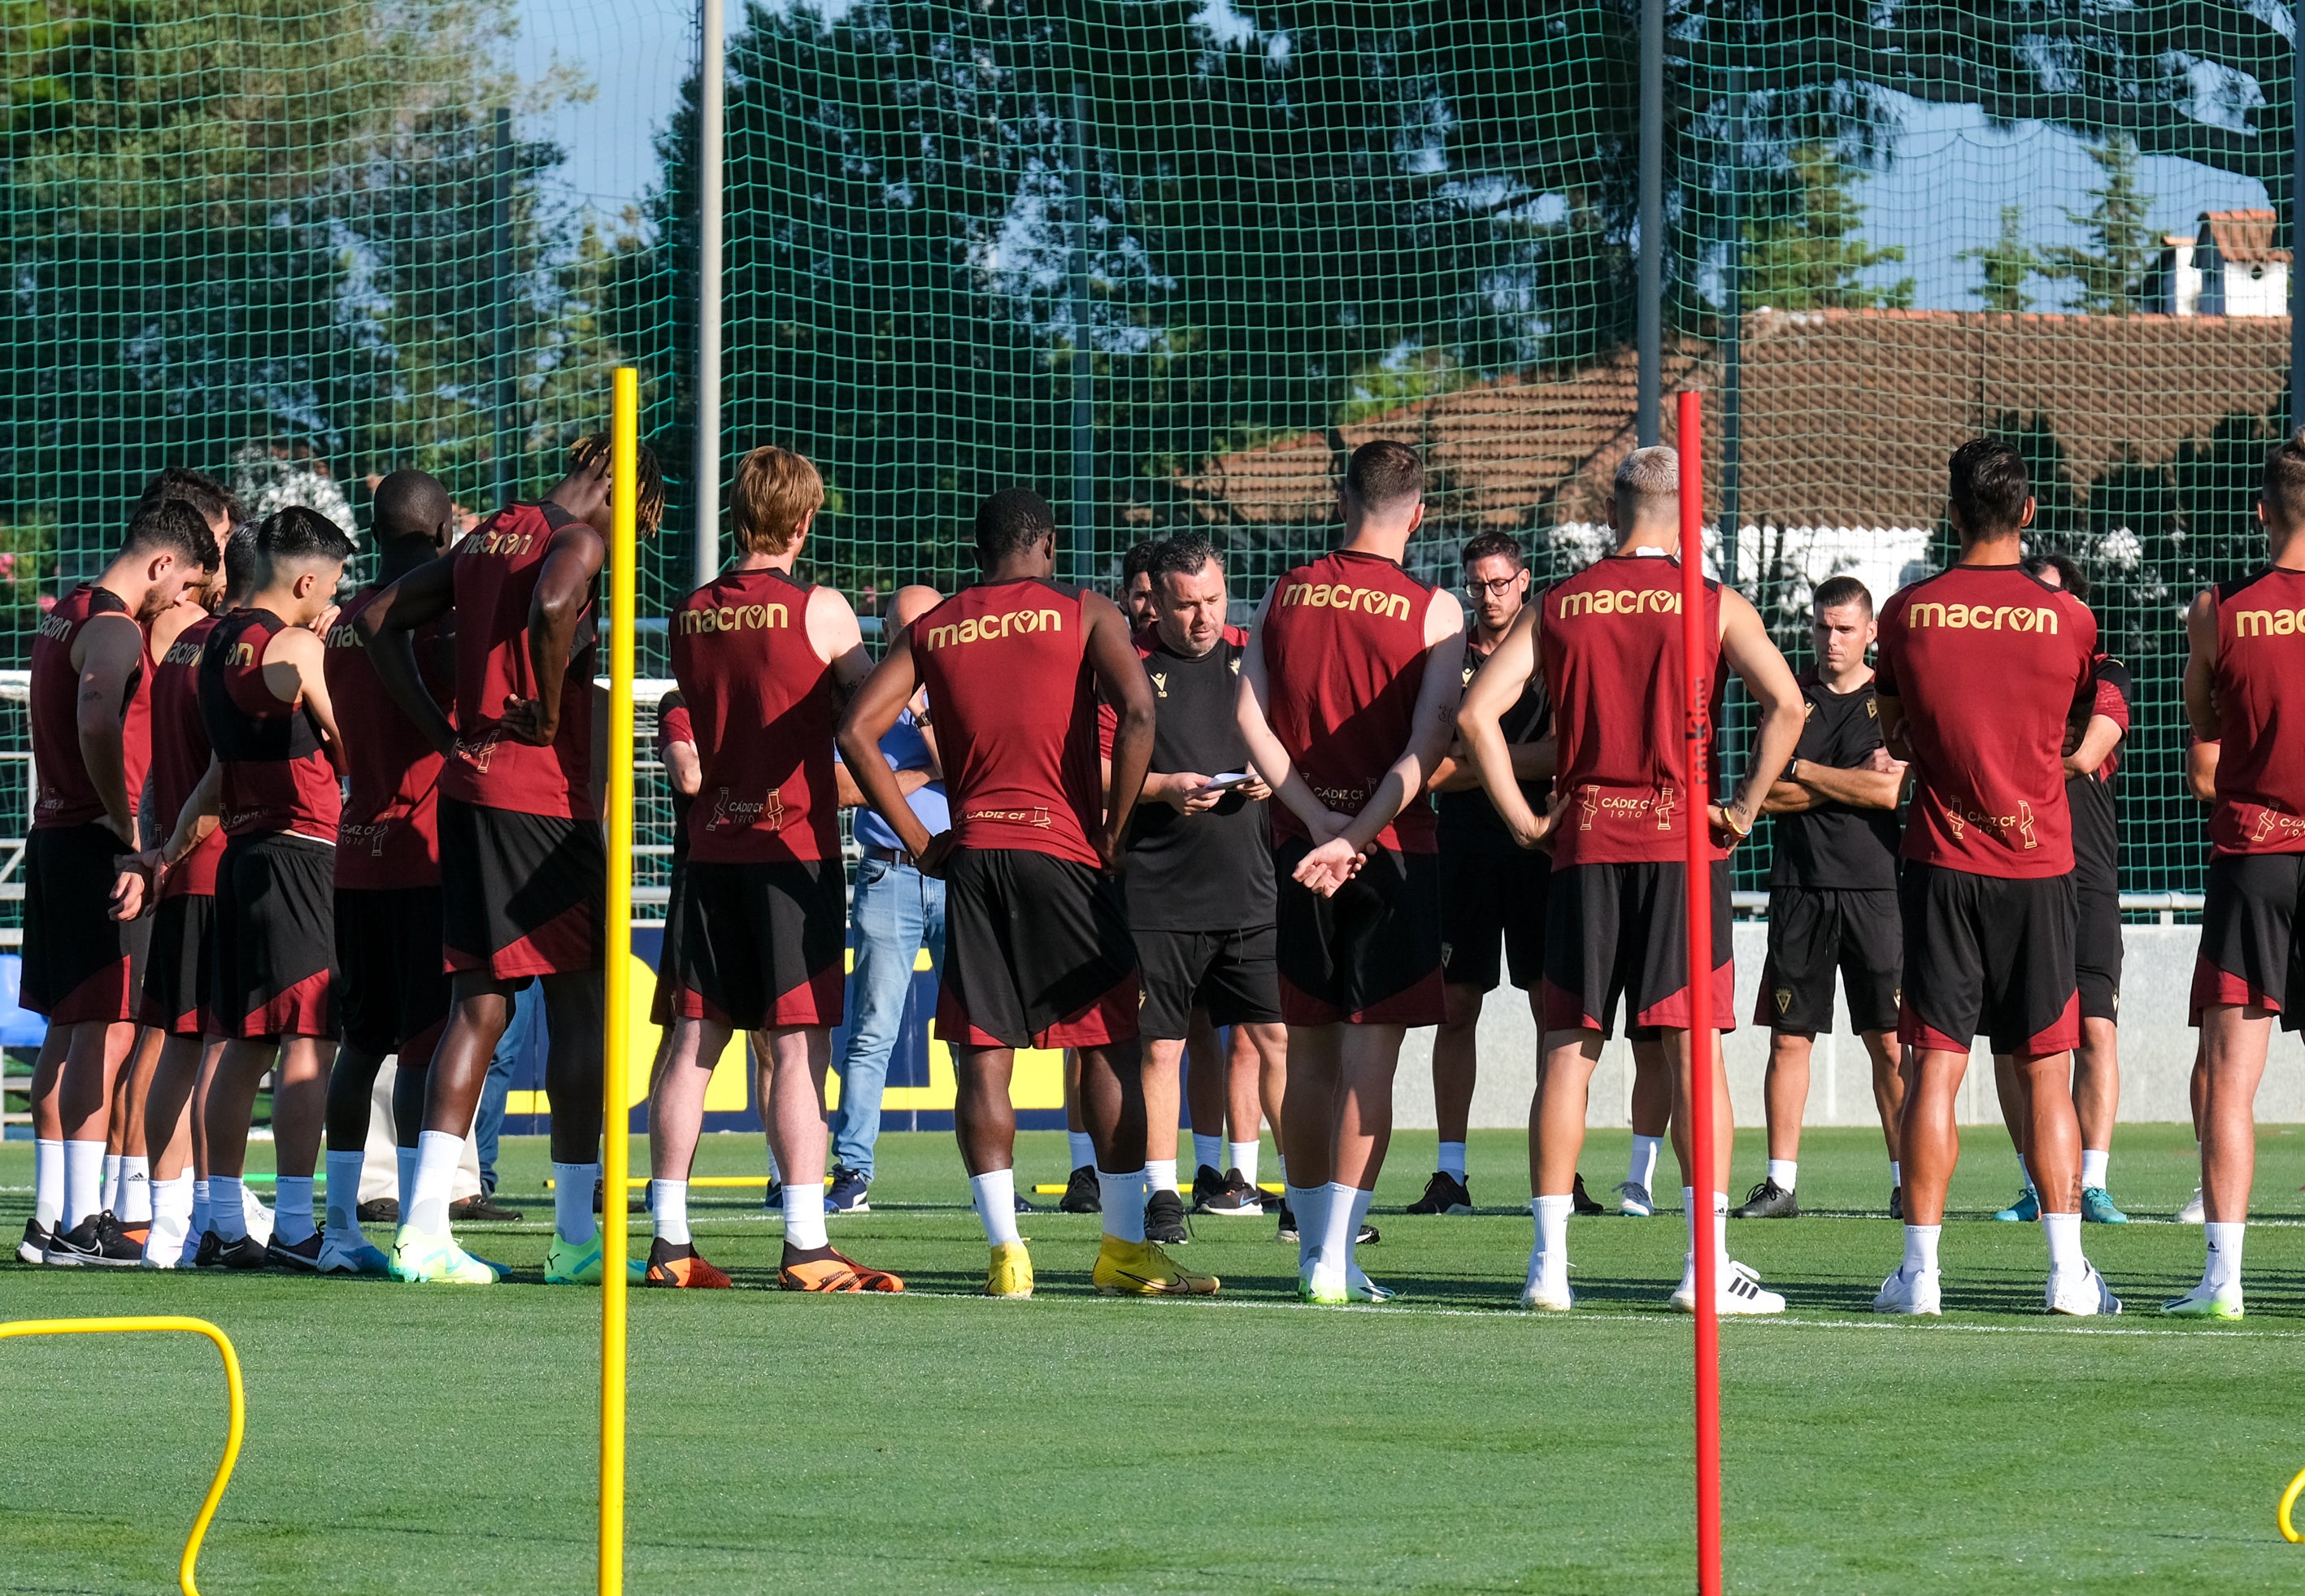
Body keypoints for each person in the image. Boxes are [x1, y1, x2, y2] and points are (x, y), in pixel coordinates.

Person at [840, 485, 1211, 1299]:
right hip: (1065, 849)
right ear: (1047, 545)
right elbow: (1140, 712)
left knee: (984, 1053)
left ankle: (1008, 1251)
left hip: (973, 853)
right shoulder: (1080, 610)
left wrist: (920, 840)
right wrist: (1111, 830)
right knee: (1109, 1041)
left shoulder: (938, 625)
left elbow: (855, 732)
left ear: (977, 556)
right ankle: (1122, 1249)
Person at [1460, 444, 1804, 1315]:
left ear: (1613, 511)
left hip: (1584, 847)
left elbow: (1476, 714)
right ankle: (1705, 1265)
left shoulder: (1562, 604)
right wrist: (1747, 805)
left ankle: (1549, 1266)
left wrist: (1524, 819)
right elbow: (1790, 705)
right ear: (1687, 510)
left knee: (1566, 1056)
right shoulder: (1711, 602)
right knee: (1695, 1060)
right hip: (1681, 848)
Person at [358, 433, 665, 1285]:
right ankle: (564, 1236)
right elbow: (554, 606)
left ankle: (430, 1228)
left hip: (469, 789)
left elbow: (376, 617)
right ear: (624, 491)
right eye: (642, 520)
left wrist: (445, 732)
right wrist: (543, 698)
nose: (635, 540)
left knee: (480, 1004)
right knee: (576, 1007)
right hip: (537, 800)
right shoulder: (577, 540)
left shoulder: (491, 531)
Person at [1872, 437, 2117, 1317]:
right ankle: (2066, 1276)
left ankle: (1921, 1278)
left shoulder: (1907, 613)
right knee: (2048, 1070)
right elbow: (2092, 712)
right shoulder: (2071, 618)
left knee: (1934, 1069)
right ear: (2028, 513)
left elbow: (1895, 733)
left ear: (1951, 512)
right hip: (2042, 865)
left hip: (1940, 864)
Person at [650, 445, 902, 1291]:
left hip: (709, 849)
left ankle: (670, 1241)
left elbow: (695, 711)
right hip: (791, 849)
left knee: (694, 1040)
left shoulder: (690, 612)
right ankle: (805, 1244)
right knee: (798, 1045)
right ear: (802, 521)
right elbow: (873, 707)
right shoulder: (820, 609)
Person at [1237, 439, 1466, 1305]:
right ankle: (1334, 1253)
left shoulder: (1286, 592)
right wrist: (1360, 832)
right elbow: (1428, 743)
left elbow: (1246, 716)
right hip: (1393, 855)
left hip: (1297, 849)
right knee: (1374, 1059)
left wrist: (1319, 819)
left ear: (1342, 500)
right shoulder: (1433, 610)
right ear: (1419, 512)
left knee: (1307, 1056)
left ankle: (1307, 1252)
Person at [156, 507, 352, 1269]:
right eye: (329, 585)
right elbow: (350, 741)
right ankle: (299, 1228)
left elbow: (213, 778)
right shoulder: (297, 643)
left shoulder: (210, 648)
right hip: (303, 855)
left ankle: (223, 1222)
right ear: (308, 579)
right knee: (309, 1041)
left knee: (239, 1046)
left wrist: (168, 854)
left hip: (241, 854)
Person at [24, 496, 215, 1264]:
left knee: (73, 1030)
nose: (181, 604)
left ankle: (54, 1218)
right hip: (94, 840)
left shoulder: (63, 612)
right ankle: (76, 1220)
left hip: (55, 833)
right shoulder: (112, 627)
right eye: (187, 587)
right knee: (103, 1032)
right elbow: (98, 717)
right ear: (163, 564)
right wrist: (126, 823)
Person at [1102, 534, 1285, 1238]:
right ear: (1160, 602)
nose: (1202, 617)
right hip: (1158, 892)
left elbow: (1291, 737)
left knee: (1274, 1038)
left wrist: (1276, 772)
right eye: (1185, 605)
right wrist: (1161, 787)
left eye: (1212, 599)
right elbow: (1092, 771)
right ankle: (1162, 1194)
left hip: (1250, 887)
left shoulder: (1251, 654)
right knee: (1162, 1046)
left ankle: (1300, 1194)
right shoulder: (1128, 666)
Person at [2166, 431, 2305, 1319]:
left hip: (2254, 857)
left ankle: (2224, 1278)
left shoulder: (2220, 609)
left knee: (2229, 1073)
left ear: (2261, 512)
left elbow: (2201, 734)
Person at [318, 470, 459, 1274]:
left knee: (360, 1043)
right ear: (441, 534)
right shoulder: (430, 619)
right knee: (421, 1048)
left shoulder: (343, 620)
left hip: (357, 848)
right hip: (422, 850)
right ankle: (420, 1227)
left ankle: (341, 1230)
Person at [1733, 576, 1907, 1220]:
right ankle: (1780, 1184)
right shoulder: (1789, 697)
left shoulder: (1888, 700)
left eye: (1842, 628)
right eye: (1819, 627)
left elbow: (1889, 794)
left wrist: (1801, 770)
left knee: (1887, 1041)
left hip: (1875, 889)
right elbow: (1760, 791)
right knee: (1788, 1039)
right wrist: (1851, 780)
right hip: (1798, 887)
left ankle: (1903, 1178)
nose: (1829, 640)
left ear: (1869, 633)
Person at [1411, 532, 1565, 1217]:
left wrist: (1481, 756)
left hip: (1539, 849)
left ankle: (1558, 1175)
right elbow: (1432, 763)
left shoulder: (1551, 653)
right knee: (1455, 1007)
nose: (1489, 595)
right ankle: (1450, 1172)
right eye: (1477, 584)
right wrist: (1502, 760)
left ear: (1523, 581)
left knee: (1550, 1011)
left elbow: (1564, 754)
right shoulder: (1447, 658)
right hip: (1463, 848)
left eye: (1500, 582)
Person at [1987, 553, 2132, 1227]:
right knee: (2018, 1042)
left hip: (2088, 881)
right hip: (2016, 872)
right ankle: (2033, 1182)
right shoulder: (2006, 673)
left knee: (2095, 1032)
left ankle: (2091, 1183)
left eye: (2047, 600)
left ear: (2076, 612)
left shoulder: (2107, 676)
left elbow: (2082, 754)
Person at [121, 528, 250, 1266]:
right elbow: (223, 772)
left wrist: (154, 852)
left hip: (176, 867)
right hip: (212, 863)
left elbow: (153, 779)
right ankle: (206, 1214)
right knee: (217, 1051)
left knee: (176, 1045)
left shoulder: (174, 657)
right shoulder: (227, 651)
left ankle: (165, 1220)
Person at [826, 585, 948, 1215]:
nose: (918, 638)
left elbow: (978, 766)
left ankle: (992, 1176)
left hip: (958, 874)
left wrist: (927, 719)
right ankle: (851, 1169)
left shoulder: (964, 689)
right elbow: (845, 787)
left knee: (973, 1030)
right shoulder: (866, 699)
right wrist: (927, 774)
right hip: (889, 873)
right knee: (871, 1029)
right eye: (906, 629)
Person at [2174, 734, 2219, 1226]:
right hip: (2251, 865)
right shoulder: (2234, 669)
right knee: (2217, 1045)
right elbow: (2204, 774)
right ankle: (2211, 1184)